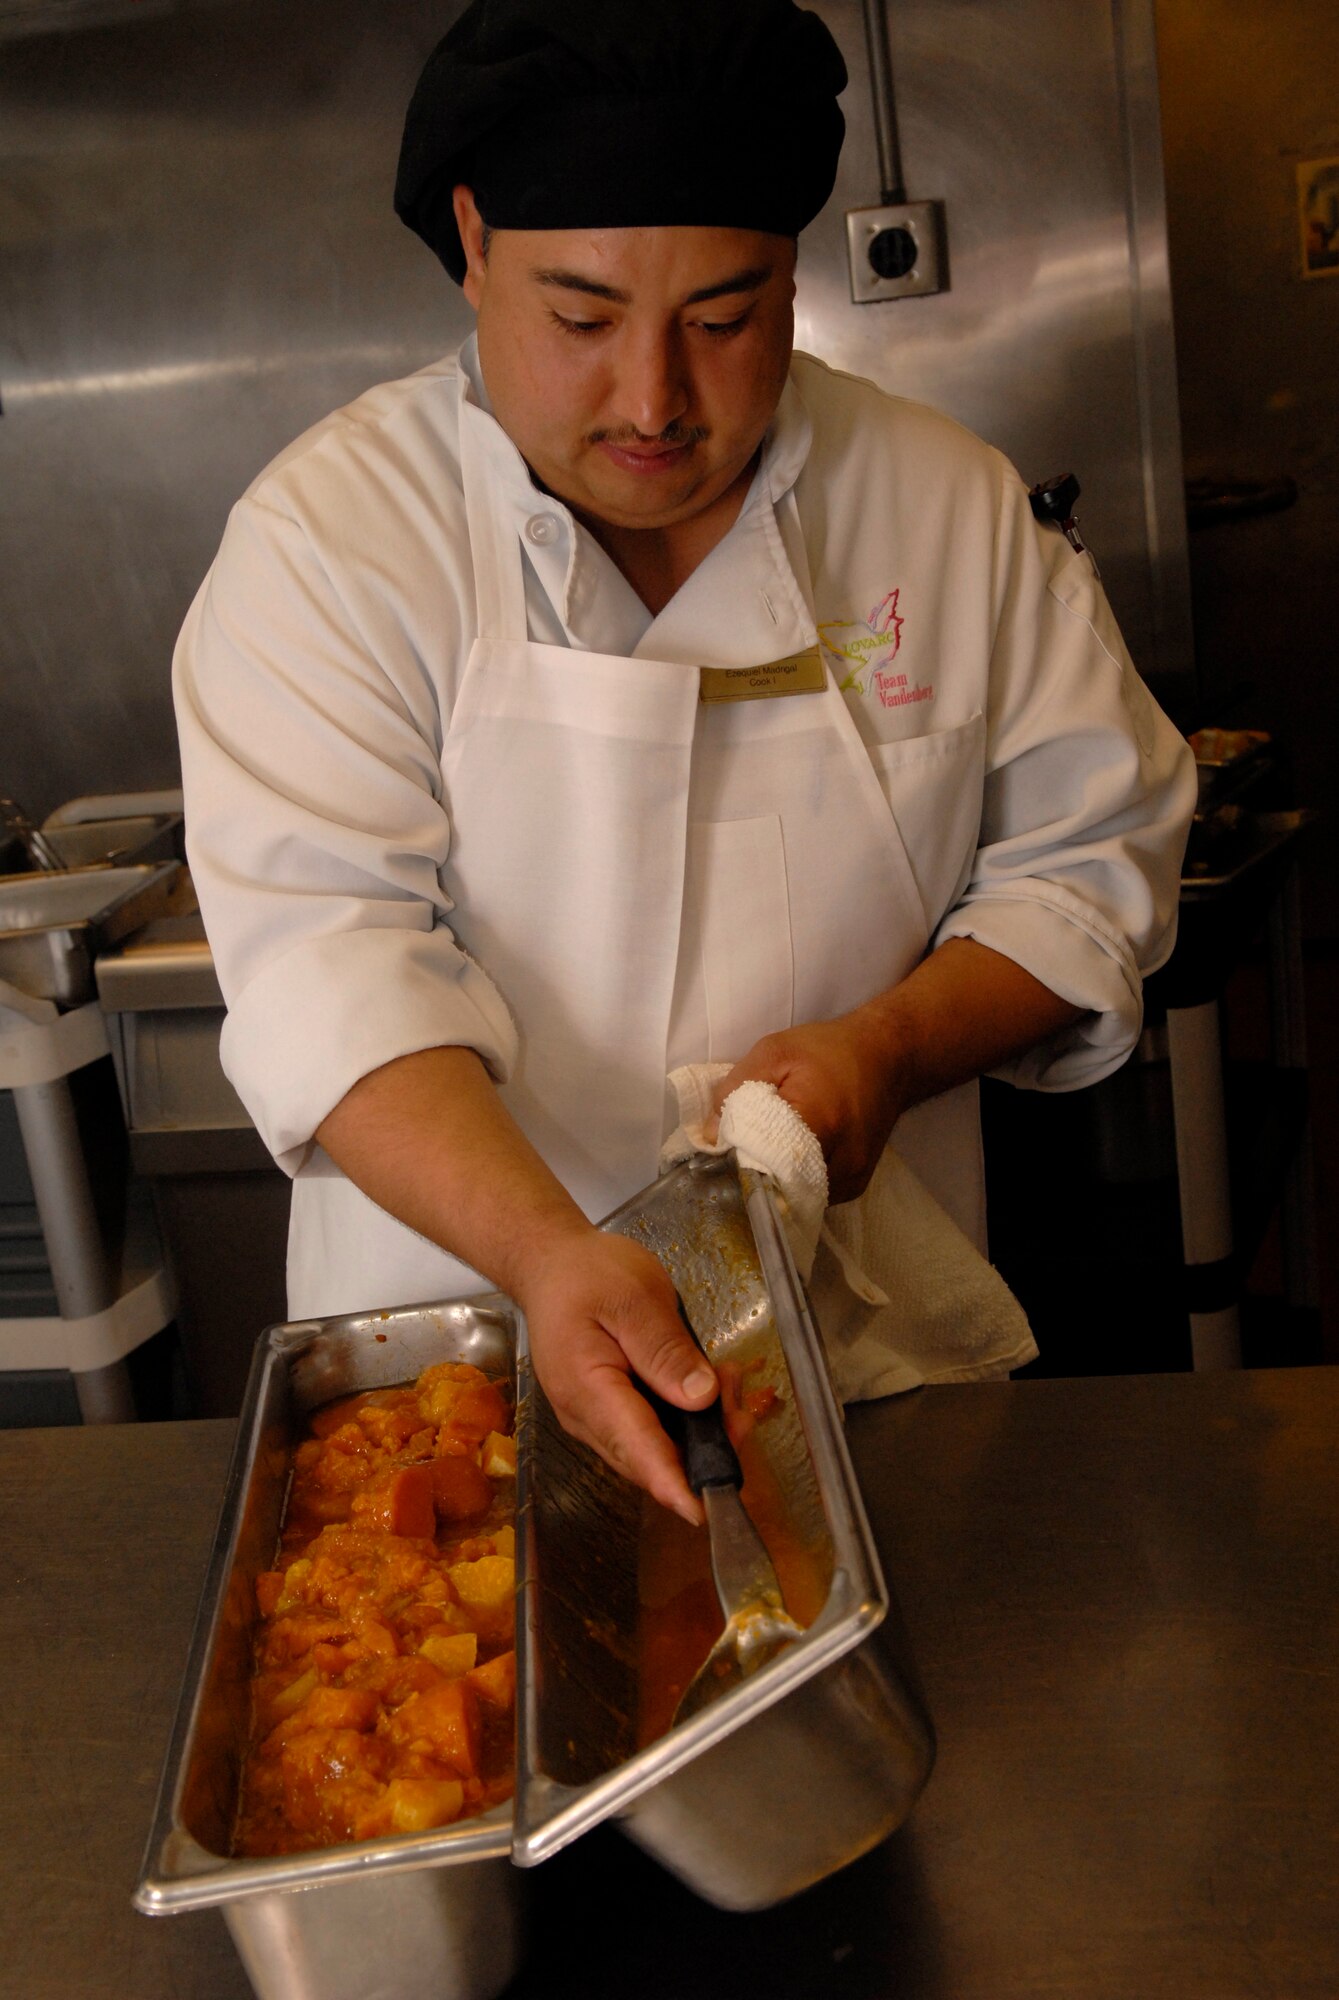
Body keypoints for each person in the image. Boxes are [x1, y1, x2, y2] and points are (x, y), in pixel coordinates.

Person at [174, 0, 1196, 1525]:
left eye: (725, 319)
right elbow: (331, 961)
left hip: (860, 1367)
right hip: (461, 1378)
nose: (654, 401)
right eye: (581, 318)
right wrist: (544, 1254)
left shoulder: (946, 511)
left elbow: (1090, 871)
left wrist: (894, 1049)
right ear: (471, 241)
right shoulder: (332, 547)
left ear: (793, 273)